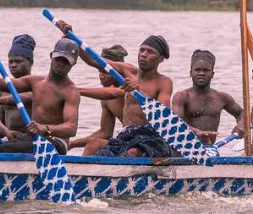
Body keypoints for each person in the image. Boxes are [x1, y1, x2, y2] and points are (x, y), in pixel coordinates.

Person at [55, 19, 175, 158]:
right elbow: (93, 60)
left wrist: (139, 92)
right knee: (94, 144)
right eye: (142, 50)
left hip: (151, 139)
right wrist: (73, 39)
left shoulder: (164, 82)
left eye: (150, 52)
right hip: (126, 136)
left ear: (161, 59)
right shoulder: (127, 70)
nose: (143, 54)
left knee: (132, 153)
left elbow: (163, 116)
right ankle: (79, 170)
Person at [0, 34, 80, 154]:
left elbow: (71, 128)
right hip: (33, 139)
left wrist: (45, 128)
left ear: (73, 64)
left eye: (66, 62)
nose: (61, 64)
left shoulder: (71, 91)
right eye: (59, 59)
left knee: (1, 149)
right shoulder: (35, 82)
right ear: (51, 56)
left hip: (56, 142)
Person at [171, 50, 245, 144]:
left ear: (212, 74)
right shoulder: (182, 97)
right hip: (185, 148)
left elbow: (241, 113)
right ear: (190, 73)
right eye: (197, 70)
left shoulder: (222, 97)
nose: (201, 73)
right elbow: (176, 122)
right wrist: (196, 132)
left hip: (210, 148)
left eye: (206, 70)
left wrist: (241, 125)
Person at [71, 45, 129, 155]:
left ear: (118, 71)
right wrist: (72, 144)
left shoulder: (131, 87)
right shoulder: (106, 98)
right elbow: (105, 132)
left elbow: (114, 93)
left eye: (105, 72)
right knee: (94, 143)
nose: (101, 76)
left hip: (144, 141)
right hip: (126, 140)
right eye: (99, 71)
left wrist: (74, 90)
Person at [0, 34, 36, 130]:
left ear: (31, 62)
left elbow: (24, 97)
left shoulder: (36, 85)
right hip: (11, 136)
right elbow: (2, 126)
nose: (13, 65)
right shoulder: (2, 91)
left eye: (18, 61)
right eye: (11, 62)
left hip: (29, 137)